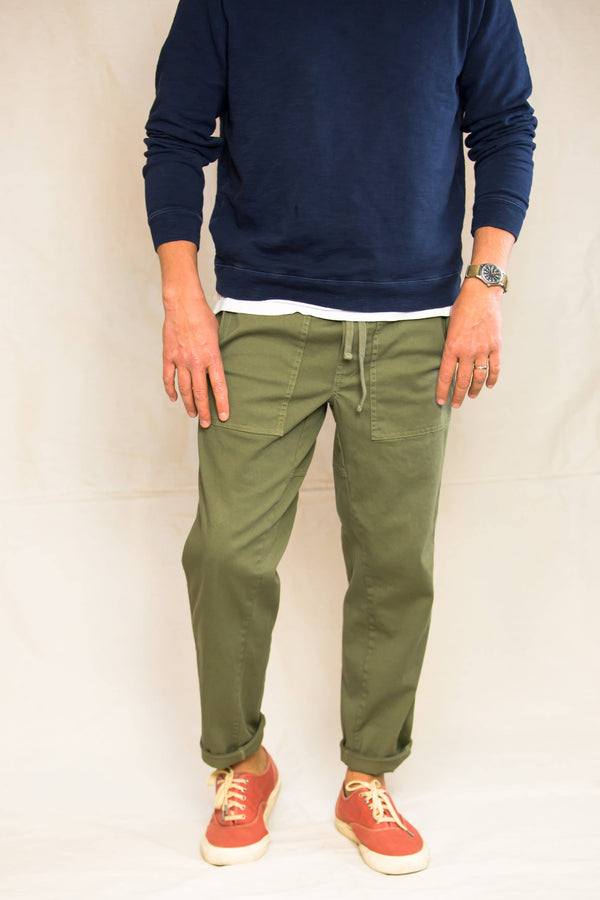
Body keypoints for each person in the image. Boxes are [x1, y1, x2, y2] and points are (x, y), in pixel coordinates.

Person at [142, 0, 536, 876]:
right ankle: (241, 761)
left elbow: (506, 124)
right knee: (227, 552)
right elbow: (174, 135)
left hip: (413, 321)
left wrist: (486, 281)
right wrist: (182, 298)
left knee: (395, 563)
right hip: (262, 310)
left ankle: (368, 776)